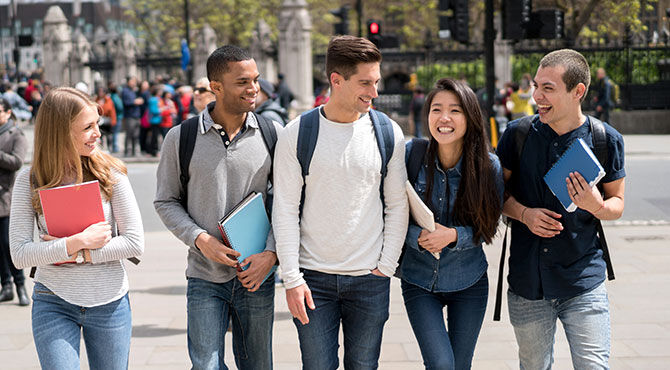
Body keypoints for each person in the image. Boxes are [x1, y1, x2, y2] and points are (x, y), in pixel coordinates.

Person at [272, 35, 408, 369]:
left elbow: (397, 205)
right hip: (312, 281)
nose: (374, 92)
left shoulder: (388, 132)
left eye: (375, 82)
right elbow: (285, 208)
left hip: (369, 281)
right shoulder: (297, 133)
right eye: (365, 83)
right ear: (337, 81)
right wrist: (291, 278)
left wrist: (385, 267)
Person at [496, 49, 625, 369]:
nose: (536, 95)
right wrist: (524, 214)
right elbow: (495, 195)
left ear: (577, 91)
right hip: (528, 283)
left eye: (548, 88)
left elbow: (617, 204)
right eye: (537, 86)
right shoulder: (517, 135)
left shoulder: (605, 139)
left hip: (584, 280)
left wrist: (596, 206)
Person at [154, 45, 281, 369]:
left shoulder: (273, 134)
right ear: (216, 87)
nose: (254, 88)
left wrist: (271, 255)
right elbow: (166, 201)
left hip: (257, 276)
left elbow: (289, 203)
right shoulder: (180, 138)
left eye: (255, 79)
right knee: (205, 366)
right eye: (242, 82)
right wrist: (200, 239)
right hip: (204, 276)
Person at [9, 87, 144, 368]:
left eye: (98, 124)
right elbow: (20, 254)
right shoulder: (29, 179)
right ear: (60, 131)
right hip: (53, 301)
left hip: (110, 301)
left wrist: (75, 254)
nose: (98, 133)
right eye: (87, 127)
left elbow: (133, 243)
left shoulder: (111, 173)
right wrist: (77, 242)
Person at [400, 78, 503, 369]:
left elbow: (489, 228)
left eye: (455, 110)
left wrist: (454, 236)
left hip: (468, 281)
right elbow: (390, 215)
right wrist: (416, 236)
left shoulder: (488, 167)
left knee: (460, 366)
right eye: (436, 109)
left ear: (469, 117)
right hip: (418, 281)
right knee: (441, 365)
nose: (444, 118)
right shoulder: (412, 156)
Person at [0, 98, 29, 306]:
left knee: (7, 244)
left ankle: (20, 285)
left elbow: (17, 162)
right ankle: (6, 286)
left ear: (8, 113)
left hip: (5, 195)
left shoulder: (15, 134)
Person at [121, 76, 143, 157]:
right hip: (129, 116)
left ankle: (134, 151)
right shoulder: (125, 91)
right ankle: (127, 151)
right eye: (132, 81)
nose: (134, 83)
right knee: (129, 134)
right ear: (128, 82)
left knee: (136, 135)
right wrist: (135, 102)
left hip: (136, 115)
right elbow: (126, 102)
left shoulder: (134, 91)